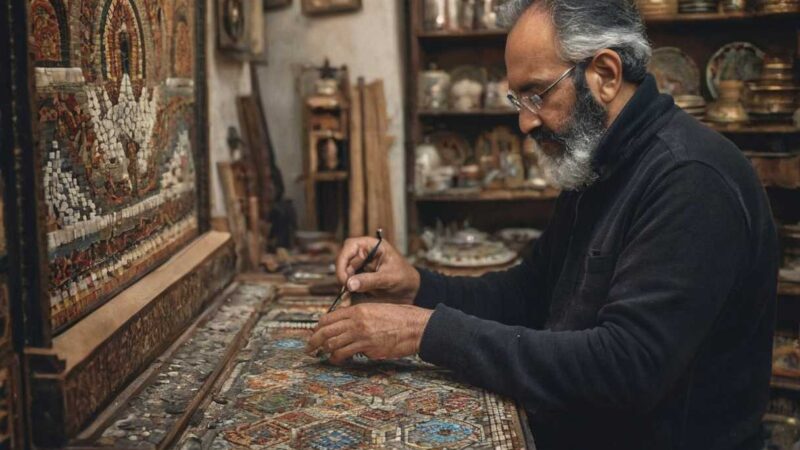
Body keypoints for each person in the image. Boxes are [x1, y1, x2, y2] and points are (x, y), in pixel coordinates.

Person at [306, 0, 779, 448]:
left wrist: (421, 332)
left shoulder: (691, 178)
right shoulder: (599, 161)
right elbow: (529, 295)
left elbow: (624, 370)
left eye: (537, 94)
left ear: (606, 75)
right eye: (519, 99)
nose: (524, 123)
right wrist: (415, 288)